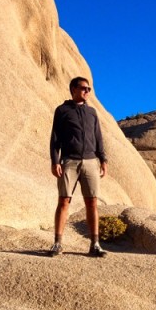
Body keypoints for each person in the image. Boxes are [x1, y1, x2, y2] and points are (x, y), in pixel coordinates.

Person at [49, 76, 108, 257]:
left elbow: (98, 137)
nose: (87, 92)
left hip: (90, 161)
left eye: (89, 89)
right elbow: (55, 138)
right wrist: (55, 160)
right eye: (84, 88)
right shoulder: (62, 110)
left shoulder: (92, 113)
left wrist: (103, 159)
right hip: (70, 161)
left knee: (92, 202)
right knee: (64, 201)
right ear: (73, 89)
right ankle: (57, 243)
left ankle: (95, 244)